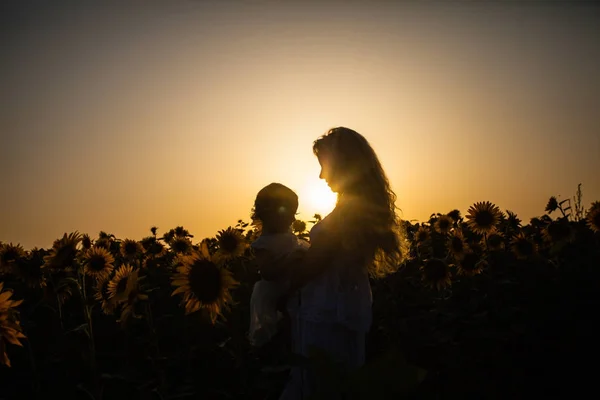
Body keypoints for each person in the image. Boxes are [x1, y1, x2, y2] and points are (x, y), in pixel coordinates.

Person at [279, 127, 407, 399]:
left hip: (327, 317)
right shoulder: (354, 209)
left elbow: (314, 266)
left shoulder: (349, 214)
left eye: (325, 166)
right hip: (334, 312)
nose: (321, 175)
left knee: (323, 385)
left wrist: (286, 266)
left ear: (344, 164)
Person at [248, 183, 309, 349]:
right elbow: (267, 272)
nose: (293, 219)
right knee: (278, 335)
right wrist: (291, 260)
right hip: (274, 296)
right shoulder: (263, 244)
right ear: (270, 214)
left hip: (295, 292)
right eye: (289, 213)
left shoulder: (290, 238)